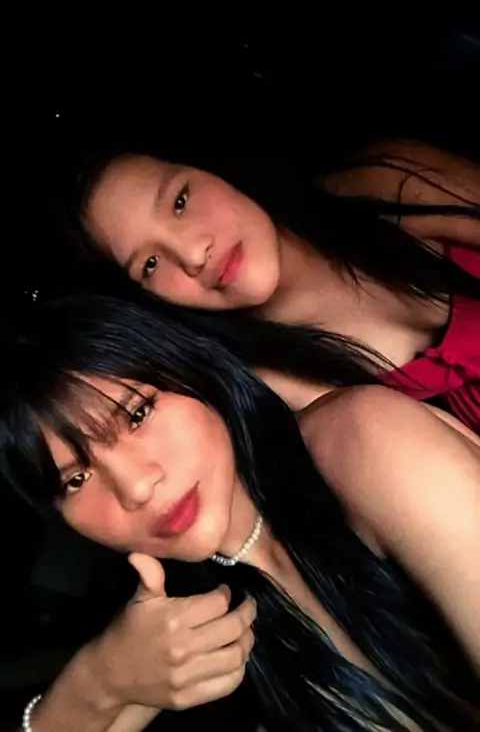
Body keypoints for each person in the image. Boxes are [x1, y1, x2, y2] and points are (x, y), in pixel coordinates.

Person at [2, 292, 479, 731]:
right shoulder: (173, 640)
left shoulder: (361, 441)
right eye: (76, 480)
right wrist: (97, 685)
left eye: (137, 414)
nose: (137, 488)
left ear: (193, 372)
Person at [59, 135, 480, 432]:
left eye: (180, 200)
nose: (193, 254)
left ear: (212, 165)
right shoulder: (274, 398)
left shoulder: (384, 184)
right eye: (150, 264)